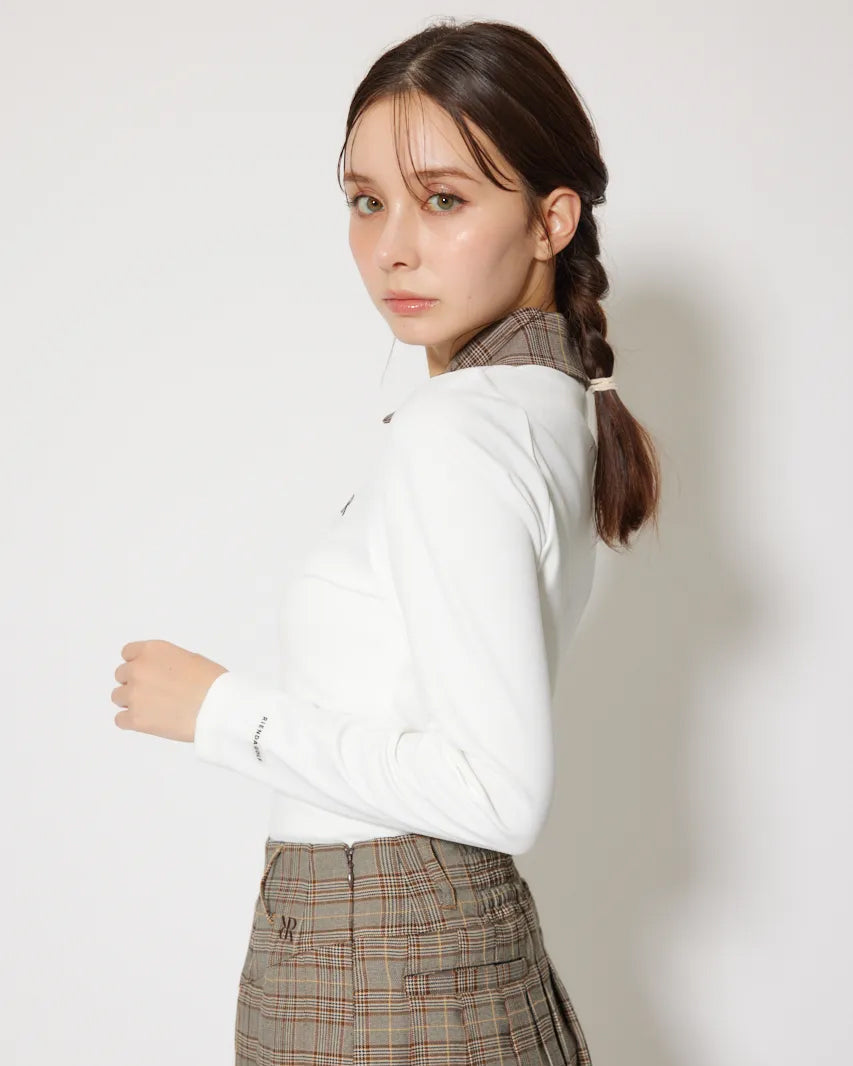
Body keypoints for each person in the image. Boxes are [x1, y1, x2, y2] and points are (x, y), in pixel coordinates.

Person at [123, 16, 662, 1066]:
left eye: (443, 199)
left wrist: (219, 708)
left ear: (550, 220)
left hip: (380, 955)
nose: (391, 248)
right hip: (411, 946)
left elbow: (497, 792)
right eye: (366, 201)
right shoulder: (545, 406)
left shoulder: (458, 429)